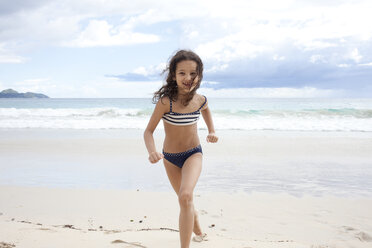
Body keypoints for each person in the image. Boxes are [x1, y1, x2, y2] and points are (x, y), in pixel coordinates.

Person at [143, 49, 218, 248]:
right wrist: (152, 151)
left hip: (193, 154)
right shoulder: (166, 102)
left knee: (185, 196)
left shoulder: (200, 100)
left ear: (199, 75)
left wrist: (212, 130)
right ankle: (199, 232)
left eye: (193, 73)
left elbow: (207, 110)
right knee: (185, 200)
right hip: (170, 158)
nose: (188, 78)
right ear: (173, 75)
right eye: (182, 73)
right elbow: (148, 131)